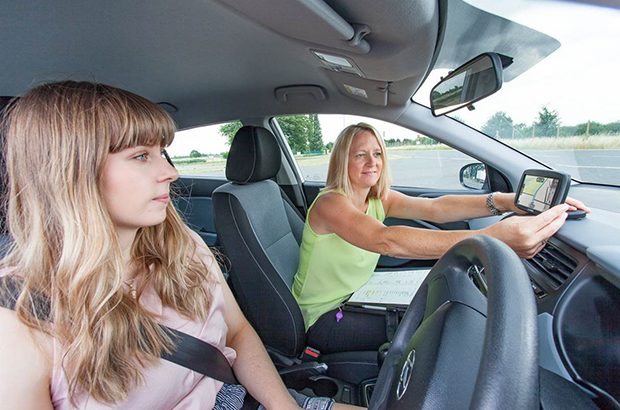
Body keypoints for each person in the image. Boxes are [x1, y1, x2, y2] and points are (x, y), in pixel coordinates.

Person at [0, 81, 362, 410]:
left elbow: (237, 331)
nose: (170, 171)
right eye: (141, 156)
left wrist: (286, 408)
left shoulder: (179, 243)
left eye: (163, 153)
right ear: (73, 172)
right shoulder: (20, 319)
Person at [292, 122, 590, 354]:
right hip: (324, 317)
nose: (372, 162)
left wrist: (507, 201)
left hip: (358, 296)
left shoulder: (378, 198)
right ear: (342, 161)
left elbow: (437, 208)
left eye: (378, 153)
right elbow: (386, 241)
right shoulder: (330, 203)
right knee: (440, 326)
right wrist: (491, 238)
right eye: (360, 155)